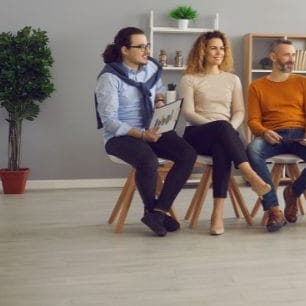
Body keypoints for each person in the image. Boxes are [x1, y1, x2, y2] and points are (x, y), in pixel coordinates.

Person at [94, 27, 197, 236]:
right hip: (120, 136)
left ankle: (158, 212)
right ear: (124, 50)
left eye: (147, 45)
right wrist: (141, 135)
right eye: (140, 46)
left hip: (151, 128)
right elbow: (110, 121)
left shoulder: (150, 67)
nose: (146, 50)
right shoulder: (110, 78)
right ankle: (151, 210)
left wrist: (159, 101)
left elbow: (157, 89)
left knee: (187, 154)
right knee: (147, 159)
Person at [179, 31, 275, 235]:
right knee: (222, 128)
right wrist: (219, 127)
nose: (218, 52)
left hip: (225, 134)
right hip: (197, 133)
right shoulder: (189, 79)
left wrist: (227, 129)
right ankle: (250, 175)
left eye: (222, 48)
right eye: (213, 48)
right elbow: (188, 112)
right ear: (202, 50)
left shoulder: (232, 79)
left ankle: (217, 215)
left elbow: (239, 111)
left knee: (222, 149)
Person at [246, 39, 306, 228]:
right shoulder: (256, 86)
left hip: (301, 134)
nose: (291, 59)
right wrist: (264, 131)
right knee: (252, 151)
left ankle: (292, 191)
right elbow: (252, 120)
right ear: (273, 56)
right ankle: (273, 208)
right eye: (287, 55)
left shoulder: (303, 82)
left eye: (293, 55)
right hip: (272, 135)